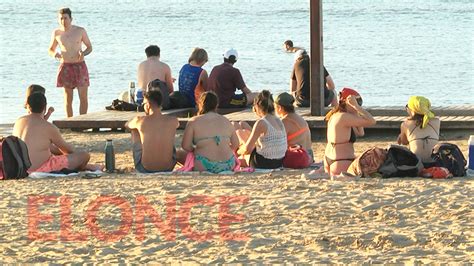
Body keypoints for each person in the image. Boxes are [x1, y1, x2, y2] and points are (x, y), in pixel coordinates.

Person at [13, 93, 97, 173]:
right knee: (84, 156)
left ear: (27, 106)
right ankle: (85, 167)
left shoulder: (19, 122)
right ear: (45, 107)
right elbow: (68, 150)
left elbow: (38, 146)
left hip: (18, 167)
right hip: (39, 168)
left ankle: (86, 166)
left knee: (58, 155)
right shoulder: (48, 127)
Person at [48, 7, 92, 118]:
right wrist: (55, 54)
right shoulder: (57, 33)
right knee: (68, 98)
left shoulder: (80, 30)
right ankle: (70, 121)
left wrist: (84, 53)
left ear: (71, 19)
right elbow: (50, 49)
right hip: (66, 66)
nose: (63, 21)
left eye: (66, 18)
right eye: (61, 18)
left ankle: (83, 121)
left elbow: (89, 47)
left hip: (80, 66)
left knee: (83, 97)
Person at [181, 92, 240, 173]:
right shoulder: (226, 121)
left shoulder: (193, 121)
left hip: (204, 164)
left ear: (200, 104)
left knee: (181, 154)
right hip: (228, 163)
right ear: (216, 105)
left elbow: (185, 146)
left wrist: (197, 149)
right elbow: (236, 144)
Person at [125, 90, 182, 173]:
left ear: (148, 105)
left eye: (143, 104)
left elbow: (127, 125)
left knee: (135, 131)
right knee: (167, 133)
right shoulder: (173, 121)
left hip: (145, 168)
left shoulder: (139, 121)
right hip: (169, 167)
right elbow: (176, 125)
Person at [324, 88, 376, 176]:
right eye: (357, 103)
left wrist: (355, 111)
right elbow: (372, 121)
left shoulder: (335, 115)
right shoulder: (344, 117)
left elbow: (360, 132)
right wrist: (357, 107)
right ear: (348, 103)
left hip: (329, 160)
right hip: (341, 161)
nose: (359, 105)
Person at [234, 90, 287, 168]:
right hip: (279, 161)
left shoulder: (262, 122)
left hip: (264, 162)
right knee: (242, 127)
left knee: (239, 134)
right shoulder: (279, 120)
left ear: (257, 106)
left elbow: (247, 149)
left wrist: (238, 151)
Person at [397, 96, 440, 165]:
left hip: (416, 163)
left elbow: (404, 142)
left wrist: (400, 136)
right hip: (434, 162)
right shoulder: (436, 121)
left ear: (412, 110)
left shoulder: (405, 124)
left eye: (407, 107)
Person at [274, 92, 313, 162]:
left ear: (279, 108)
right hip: (310, 155)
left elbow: (277, 144)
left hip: (299, 157)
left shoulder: (285, 121)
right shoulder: (300, 118)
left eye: (275, 107)